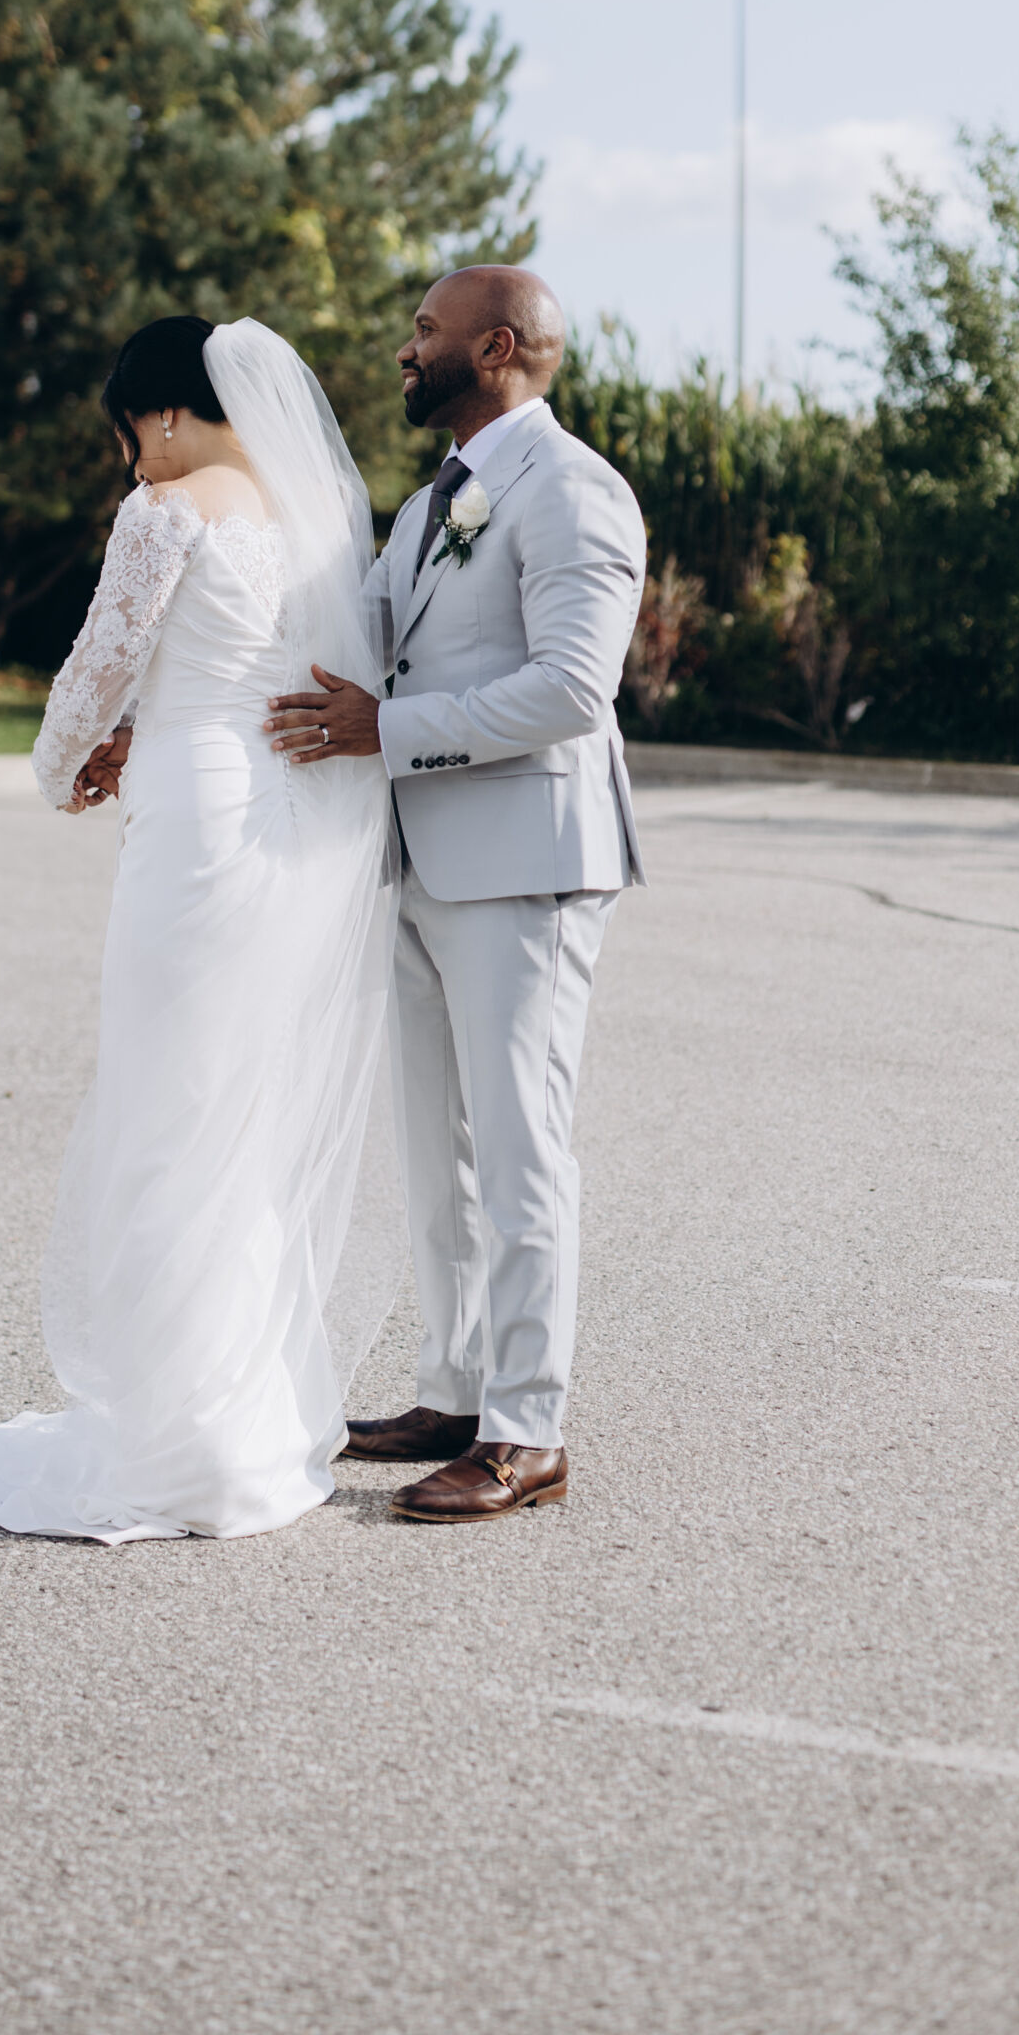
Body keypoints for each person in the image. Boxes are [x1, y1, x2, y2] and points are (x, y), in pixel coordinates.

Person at [0, 315, 400, 1542]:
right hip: (279, 824)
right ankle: (239, 1422)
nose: (132, 456)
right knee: (235, 1107)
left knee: (165, 1098)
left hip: (192, 820)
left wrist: (58, 769)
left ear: (170, 411)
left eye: (131, 430)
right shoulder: (311, 521)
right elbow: (259, 672)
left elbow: (106, 659)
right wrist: (148, 731)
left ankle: (171, 1438)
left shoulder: (168, 509)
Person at [265, 266, 646, 1522]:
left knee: (523, 1152)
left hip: (526, 866)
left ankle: (529, 1432)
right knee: (437, 1155)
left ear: (497, 348)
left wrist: (388, 731)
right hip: (420, 862)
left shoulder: (574, 489)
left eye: (425, 330)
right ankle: (455, 1389)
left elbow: (572, 689)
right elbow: (365, 642)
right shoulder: (441, 497)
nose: (404, 348)